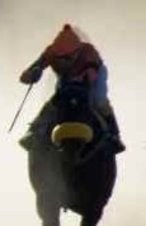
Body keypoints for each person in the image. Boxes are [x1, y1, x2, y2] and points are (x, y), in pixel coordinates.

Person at [18, 24, 124, 153]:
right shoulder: (50, 52)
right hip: (67, 78)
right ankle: (33, 132)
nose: (63, 61)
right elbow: (26, 75)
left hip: (93, 75)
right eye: (59, 58)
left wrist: (83, 79)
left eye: (67, 58)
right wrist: (33, 74)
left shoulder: (88, 51)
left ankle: (113, 135)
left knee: (99, 99)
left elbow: (92, 72)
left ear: (77, 51)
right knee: (56, 100)